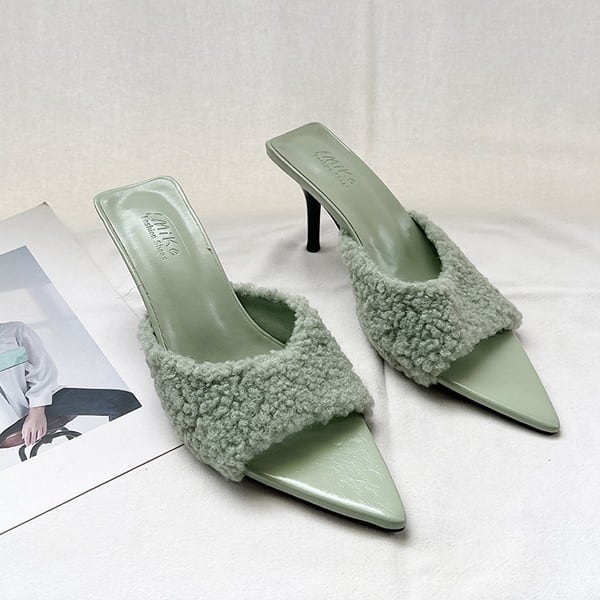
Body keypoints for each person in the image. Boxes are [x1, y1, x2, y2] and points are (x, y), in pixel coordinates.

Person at [0, 321, 140, 447]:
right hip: (8, 424)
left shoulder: (15, 331)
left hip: (45, 400)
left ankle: (123, 449)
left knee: (124, 401)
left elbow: (42, 370)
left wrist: (36, 411)